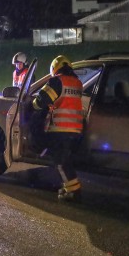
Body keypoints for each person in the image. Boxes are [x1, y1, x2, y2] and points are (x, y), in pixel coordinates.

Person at [31, 55, 84, 202]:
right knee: (65, 160)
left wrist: (34, 106)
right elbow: (67, 102)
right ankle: (69, 187)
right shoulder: (77, 83)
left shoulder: (57, 81)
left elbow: (41, 100)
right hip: (76, 130)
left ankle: (74, 192)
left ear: (55, 68)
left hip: (61, 129)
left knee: (60, 161)